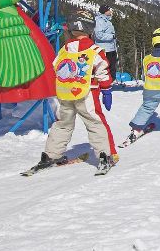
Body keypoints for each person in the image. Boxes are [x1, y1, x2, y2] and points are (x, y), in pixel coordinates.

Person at [32, 12, 118, 175]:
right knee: (94, 123)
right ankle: (104, 155)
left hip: (65, 94)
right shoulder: (94, 50)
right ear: (90, 29)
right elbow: (103, 71)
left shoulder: (64, 50)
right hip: (87, 94)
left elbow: (56, 67)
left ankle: (50, 155)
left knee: (62, 124)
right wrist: (106, 89)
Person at [94, 5, 118, 83]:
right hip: (104, 49)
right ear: (105, 11)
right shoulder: (100, 21)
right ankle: (105, 83)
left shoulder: (107, 20)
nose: (111, 11)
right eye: (109, 10)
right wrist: (112, 36)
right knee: (105, 67)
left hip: (111, 48)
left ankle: (110, 82)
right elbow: (98, 35)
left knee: (112, 67)